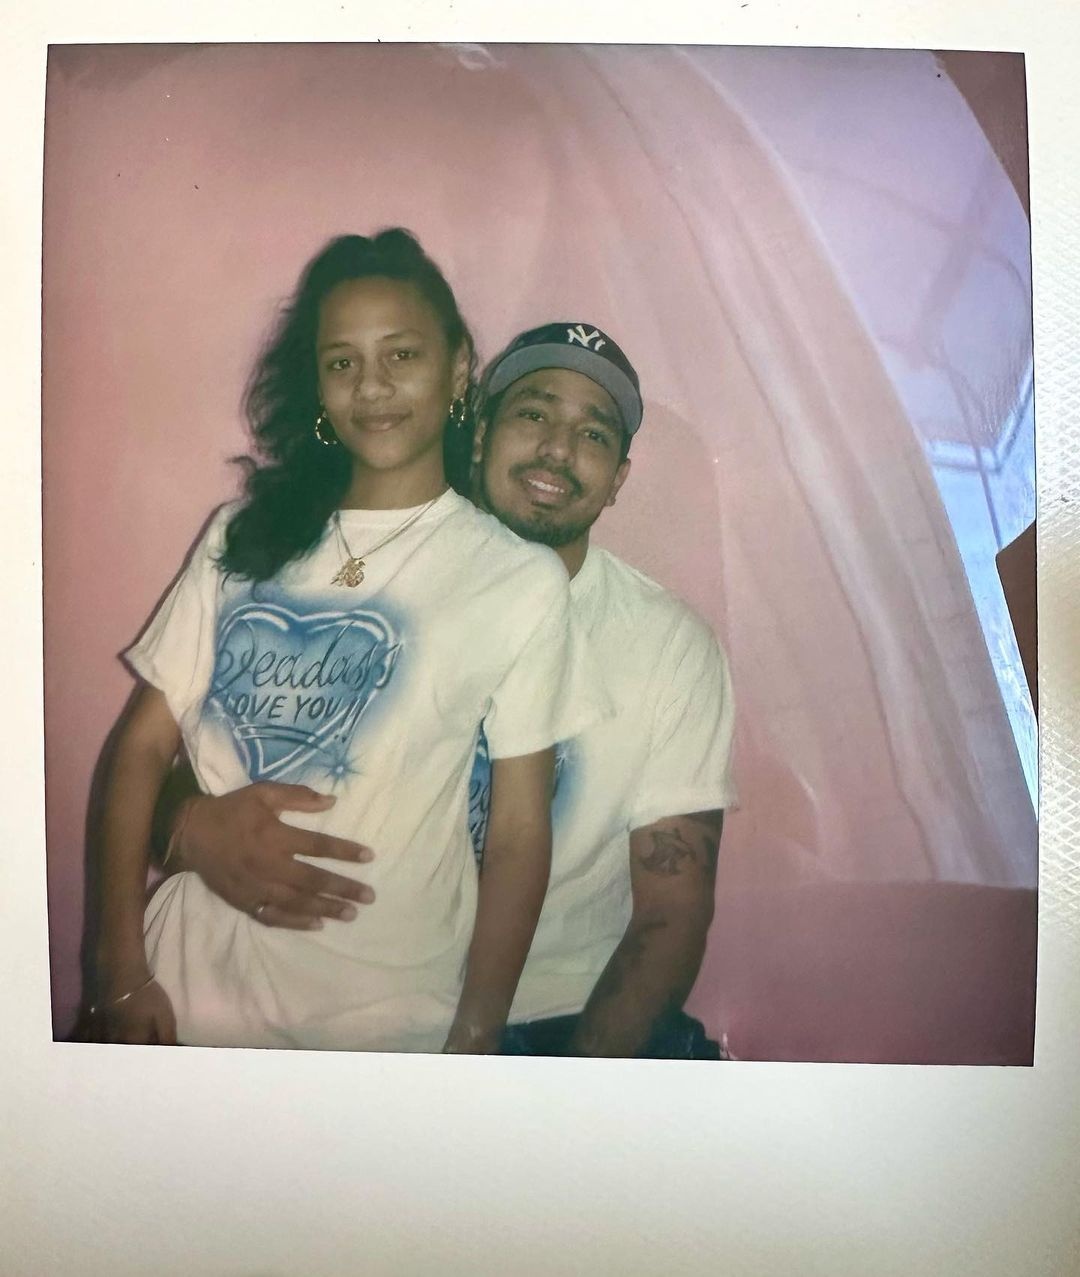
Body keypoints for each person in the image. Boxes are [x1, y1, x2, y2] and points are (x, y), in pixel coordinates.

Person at [153, 321, 736, 1058]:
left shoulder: (669, 646)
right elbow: (168, 770)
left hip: (558, 1020)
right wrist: (192, 829)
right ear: (482, 431)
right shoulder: (364, 577)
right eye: (534, 413)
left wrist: (562, 1101)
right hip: (345, 1008)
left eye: (593, 433)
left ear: (619, 477)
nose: (558, 447)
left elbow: (672, 913)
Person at [90, 232, 602, 1054]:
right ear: (318, 385)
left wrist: (474, 1035)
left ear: (459, 365)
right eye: (342, 363)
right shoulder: (241, 537)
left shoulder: (515, 578)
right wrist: (118, 969)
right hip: (184, 987)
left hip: (386, 1015)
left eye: (402, 354)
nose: (373, 386)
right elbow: (141, 747)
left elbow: (515, 836)